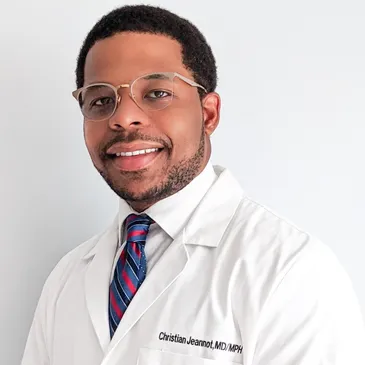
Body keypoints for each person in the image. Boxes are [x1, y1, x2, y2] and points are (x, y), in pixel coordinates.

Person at [21, 5, 365, 365]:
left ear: (208, 113)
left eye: (156, 93)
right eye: (101, 100)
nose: (123, 118)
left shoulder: (291, 272)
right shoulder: (66, 279)